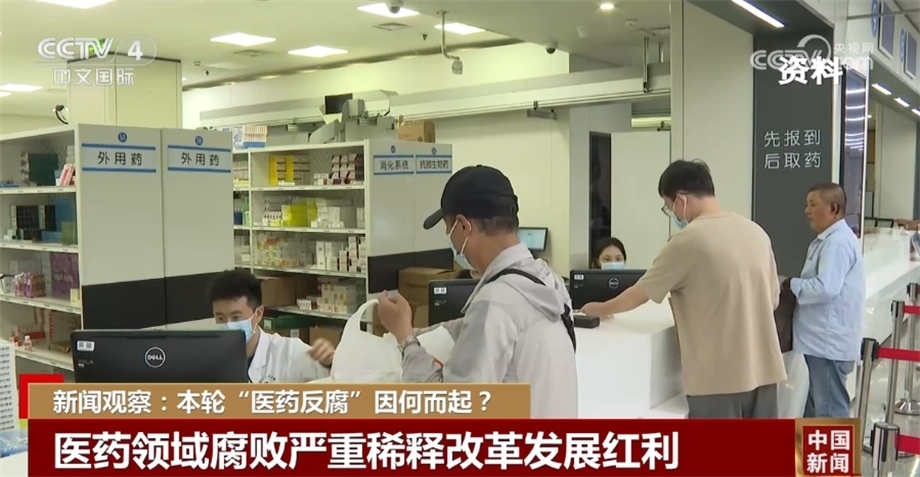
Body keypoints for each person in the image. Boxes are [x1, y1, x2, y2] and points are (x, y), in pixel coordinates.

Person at [580, 159, 787, 418]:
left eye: (669, 207)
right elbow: (773, 299)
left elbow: (639, 295)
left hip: (717, 381)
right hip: (765, 372)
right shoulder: (756, 232)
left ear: (681, 200)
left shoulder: (687, 241)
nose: (673, 214)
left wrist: (597, 309)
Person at [376, 165, 578, 418]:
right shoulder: (547, 280)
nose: (451, 241)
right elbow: (472, 328)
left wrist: (405, 338)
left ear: (463, 226)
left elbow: (449, 410)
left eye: (449, 230)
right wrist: (411, 330)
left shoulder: (495, 303)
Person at [784, 183, 865, 418]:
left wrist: (789, 284)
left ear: (833, 209)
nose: (807, 211)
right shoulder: (830, 239)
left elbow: (825, 288)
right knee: (818, 408)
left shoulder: (836, 243)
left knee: (830, 412)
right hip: (821, 343)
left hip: (828, 345)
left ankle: (829, 445)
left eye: (813, 205)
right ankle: (810, 444)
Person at [208, 269, 336, 383]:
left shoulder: (290, 352)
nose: (228, 325)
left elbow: (337, 380)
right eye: (220, 318)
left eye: (236, 317)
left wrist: (330, 361)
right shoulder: (211, 358)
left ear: (258, 314)